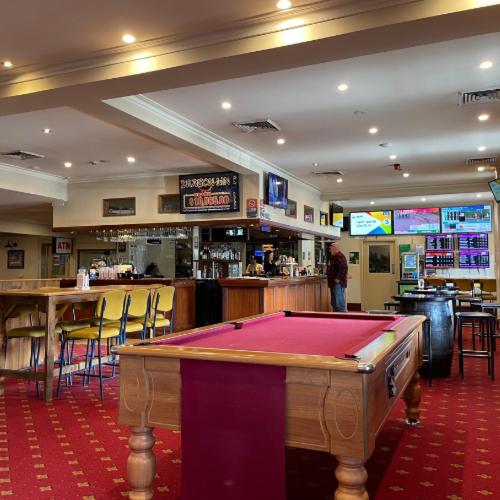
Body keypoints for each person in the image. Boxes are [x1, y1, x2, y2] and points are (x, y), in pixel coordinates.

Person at [327, 243, 348, 312]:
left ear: (335, 248)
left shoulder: (340, 256)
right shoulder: (333, 257)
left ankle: (341, 317)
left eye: (330, 249)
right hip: (333, 283)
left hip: (338, 283)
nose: (330, 251)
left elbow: (344, 268)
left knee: (339, 303)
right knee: (334, 303)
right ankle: (335, 316)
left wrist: (338, 278)